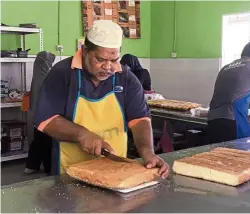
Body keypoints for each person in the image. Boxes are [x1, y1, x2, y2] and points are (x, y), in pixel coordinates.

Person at [35, 20, 169, 178]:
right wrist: (82, 134)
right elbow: (46, 119)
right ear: (84, 51)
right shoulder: (62, 74)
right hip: (69, 174)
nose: (108, 67)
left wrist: (148, 153)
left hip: (115, 171)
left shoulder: (126, 79)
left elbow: (139, 119)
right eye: (100, 60)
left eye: (114, 60)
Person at [25, 51, 55, 174]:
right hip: (46, 114)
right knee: (45, 139)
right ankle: (47, 167)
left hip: (36, 114)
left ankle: (32, 165)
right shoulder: (47, 75)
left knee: (39, 139)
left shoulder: (38, 74)